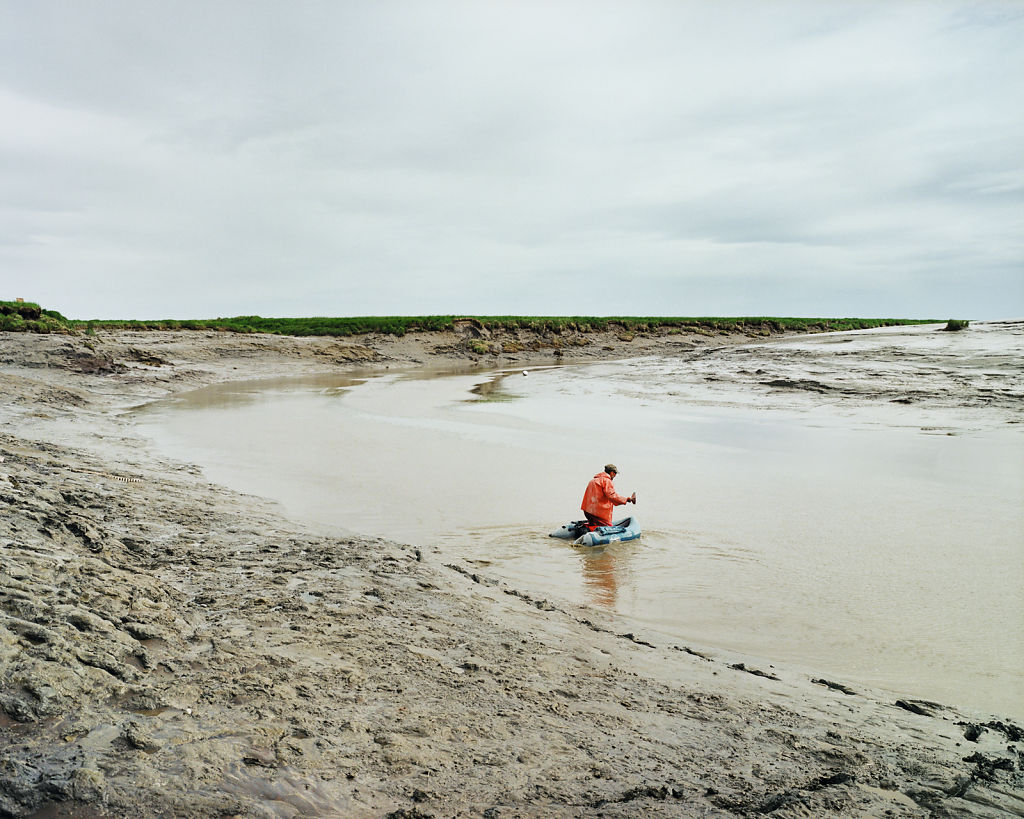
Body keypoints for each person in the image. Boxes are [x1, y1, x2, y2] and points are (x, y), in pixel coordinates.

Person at [581, 464, 636, 528]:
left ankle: (587, 529)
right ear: (612, 473)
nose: (615, 476)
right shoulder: (607, 481)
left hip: (587, 511)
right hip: (598, 514)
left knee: (594, 523)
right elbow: (612, 496)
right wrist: (627, 499)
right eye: (615, 473)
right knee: (607, 527)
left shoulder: (593, 480)